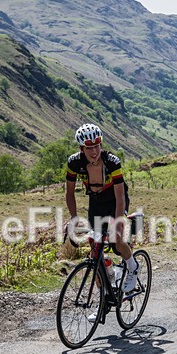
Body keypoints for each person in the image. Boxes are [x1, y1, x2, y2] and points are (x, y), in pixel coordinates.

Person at [65, 123, 140, 292]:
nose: (94, 151)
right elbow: (69, 193)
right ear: (81, 148)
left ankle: (133, 266)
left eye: (97, 146)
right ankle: (103, 298)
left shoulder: (112, 162)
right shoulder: (74, 163)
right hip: (96, 202)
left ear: (101, 144)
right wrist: (73, 218)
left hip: (115, 200)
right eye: (89, 147)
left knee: (116, 239)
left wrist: (119, 222)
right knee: (95, 249)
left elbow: (120, 196)